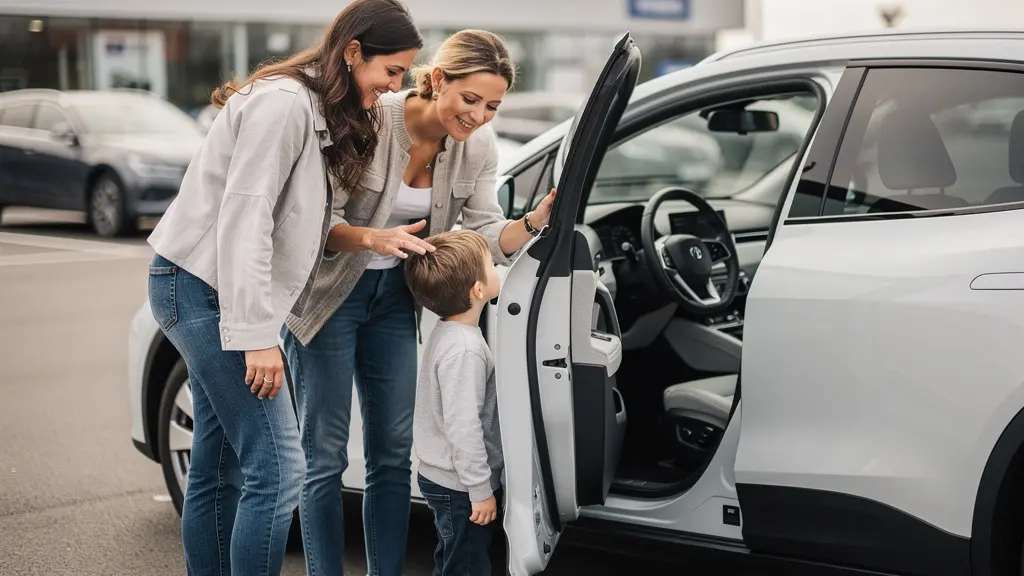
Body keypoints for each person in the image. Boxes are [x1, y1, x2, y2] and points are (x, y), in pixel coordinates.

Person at [145, 1, 422, 574]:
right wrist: (257, 337)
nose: (395, 89)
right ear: (352, 53)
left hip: (217, 287)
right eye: (390, 72)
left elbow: (300, 221)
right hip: (199, 287)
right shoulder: (283, 105)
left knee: (218, 464)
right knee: (279, 469)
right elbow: (245, 218)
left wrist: (370, 238)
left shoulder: (321, 107)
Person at [281, 29, 556, 576]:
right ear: (436, 80)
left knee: (390, 453)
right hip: (327, 293)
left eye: (493, 106)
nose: (479, 116)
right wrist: (373, 239)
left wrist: (531, 224)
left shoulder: (477, 146)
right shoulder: (371, 118)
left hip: (393, 302)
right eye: (470, 99)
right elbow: (312, 221)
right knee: (326, 457)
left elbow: (481, 231)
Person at [403, 229, 505, 576]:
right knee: (467, 565)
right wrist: (479, 490)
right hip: (460, 484)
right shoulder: (465, 350)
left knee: (453, 556)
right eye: (492, 264)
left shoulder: (447, 331)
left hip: (445, 477)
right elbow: (464, 427)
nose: (497, 269)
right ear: (478, 290)